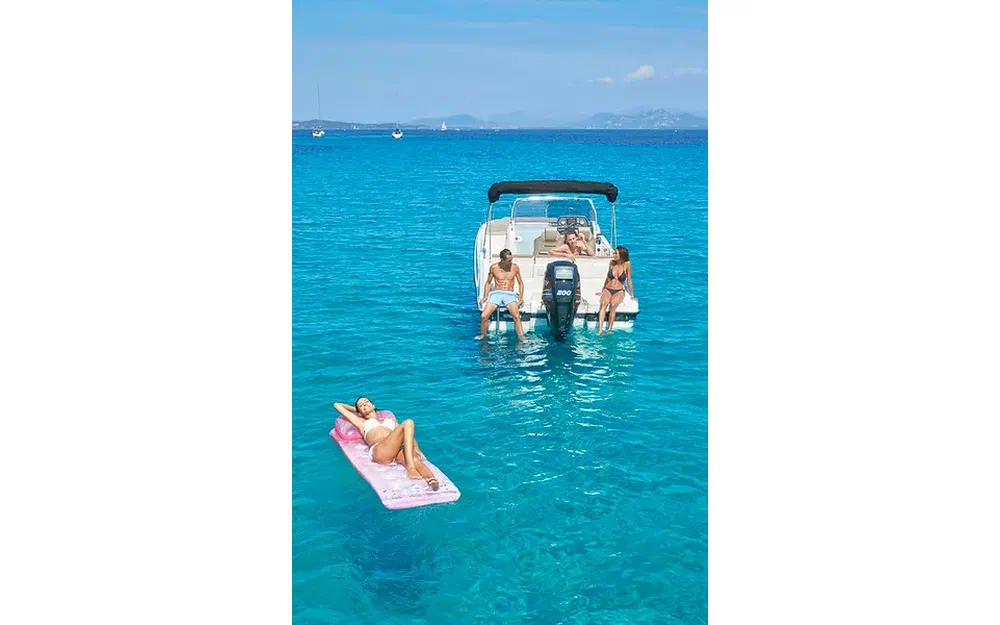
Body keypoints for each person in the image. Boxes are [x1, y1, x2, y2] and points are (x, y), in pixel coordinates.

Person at [333, 397, 439, 490]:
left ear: (373, 405)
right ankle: (411, 468)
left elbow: (407, 433)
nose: (364, 404)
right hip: (380, 450)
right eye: (361, 405)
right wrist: (356, 410)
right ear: (359, 412)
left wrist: (416, 448)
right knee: (408, 422)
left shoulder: (389, 420)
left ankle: (432, 480)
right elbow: (337, 405)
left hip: (395, 449)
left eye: (366, 402)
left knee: (415, 459)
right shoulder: (360, 422)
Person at [477, 248, 525, 340]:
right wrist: (485, 296)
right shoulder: (494, 268)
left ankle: (521, 337)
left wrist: (521, 297)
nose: (511, 262)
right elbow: (488, 282)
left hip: (510, 294)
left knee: (516, 316)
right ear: (502, 259)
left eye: (511, 259)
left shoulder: (515, 267)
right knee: (484, 316)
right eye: (508, 260)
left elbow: (520, 283)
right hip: (496, 294)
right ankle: (483, 335)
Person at [595, 246, 636, 335]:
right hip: (608, 288)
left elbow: (629, 280)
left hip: (619, 290)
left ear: (621, 255)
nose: (613, 255)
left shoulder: (627, 264)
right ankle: (600, 329)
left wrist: (632, 295)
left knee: (613, 305)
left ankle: (609, 330)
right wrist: (603, 290)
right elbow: (608, 278)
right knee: (603, 304)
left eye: (615, 253)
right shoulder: (612, 263)